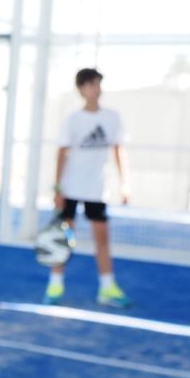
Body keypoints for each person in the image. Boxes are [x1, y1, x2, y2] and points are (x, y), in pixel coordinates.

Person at [46, 67, 130, 308]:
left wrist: (125, 184)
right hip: (70, 189)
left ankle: (107, 288)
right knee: (63, 239)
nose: (97, 89)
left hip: (97, 190)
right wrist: (58, 189)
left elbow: (118, 150)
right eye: (92, 84)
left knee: (102, 240)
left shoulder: (112, 118)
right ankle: (55, 285)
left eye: (98, 84)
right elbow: (61, 154)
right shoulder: (72, 121)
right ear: (81, 89)